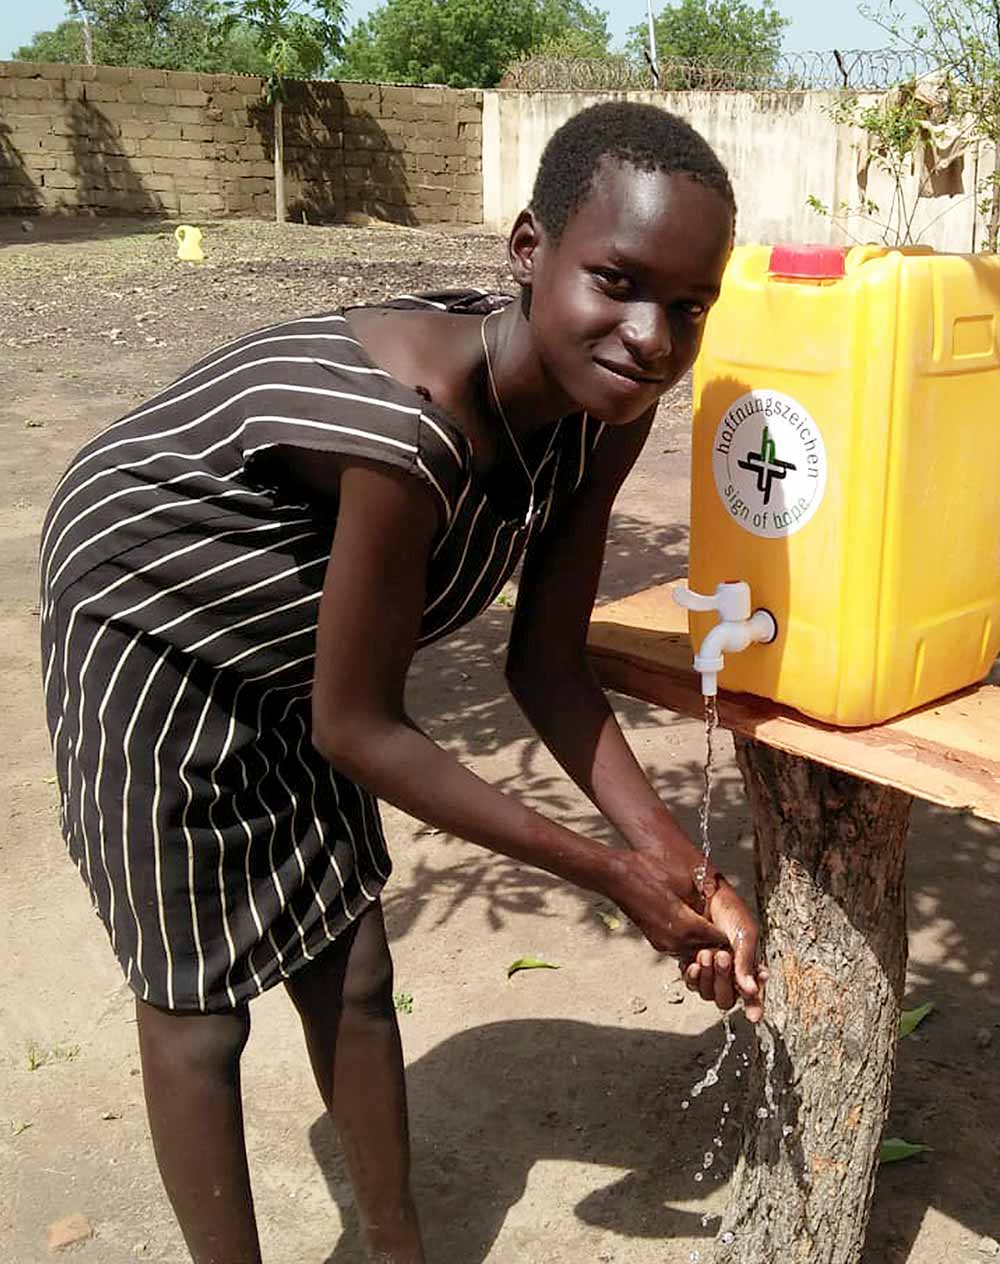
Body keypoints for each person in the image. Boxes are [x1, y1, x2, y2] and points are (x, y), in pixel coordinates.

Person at [39, 101, 766, 1264]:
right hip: (151, 607)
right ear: (529, 252)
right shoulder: (411, 431)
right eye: (618, 282)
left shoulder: (604, 408)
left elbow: (546, 663)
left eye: (687, 306)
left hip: (312, 641)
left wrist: (678, 865)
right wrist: (607, 873)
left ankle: (398, 1249)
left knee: (351, 958)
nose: (651, 336)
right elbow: (359, 727)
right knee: (196, 1003)